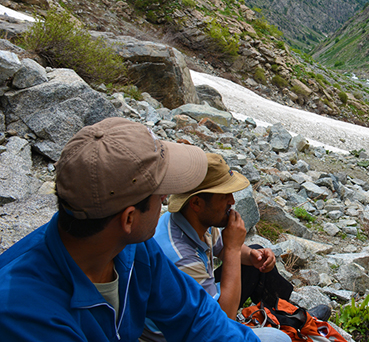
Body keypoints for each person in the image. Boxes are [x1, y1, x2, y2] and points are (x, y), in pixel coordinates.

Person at [0, 117, 286, 342]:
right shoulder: (22, 310)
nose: (166, 201)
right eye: (159, 195)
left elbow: (197, 316)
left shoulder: (135, 249)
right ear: (128, 219)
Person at [144, 153, 329, 334]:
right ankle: (288, 328)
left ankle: (290, 317)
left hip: (199, 304)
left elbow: (223, 249)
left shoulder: (194, 220)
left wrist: (253, 256)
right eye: (224, 196)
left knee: (254, 256)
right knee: (278, 339)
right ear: (196, 203)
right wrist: (233, 247)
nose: (232, 201)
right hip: (181, 333)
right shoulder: (179, 257)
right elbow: (222, 320)